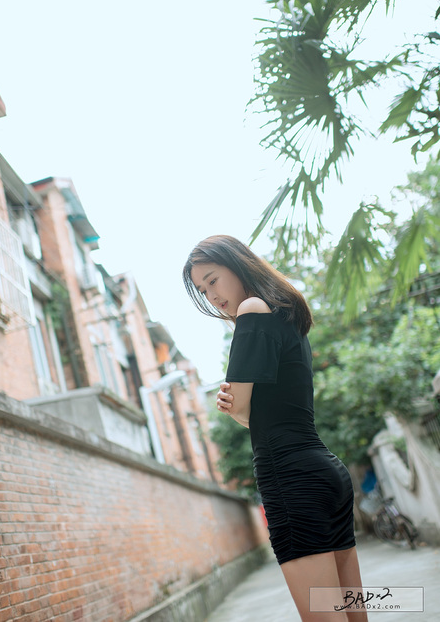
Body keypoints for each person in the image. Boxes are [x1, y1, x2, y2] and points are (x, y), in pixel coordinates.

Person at [183, 235, 368, 622]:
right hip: (324, 472)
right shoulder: (287, 319)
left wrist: (234, 405)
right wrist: (239, 407)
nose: (212, 295)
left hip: (291, 479)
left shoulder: (251, 310)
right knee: (352, 612)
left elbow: (240, 407)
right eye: (202, 289)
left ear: (239, 265)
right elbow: (261, 414)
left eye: (213, 280)